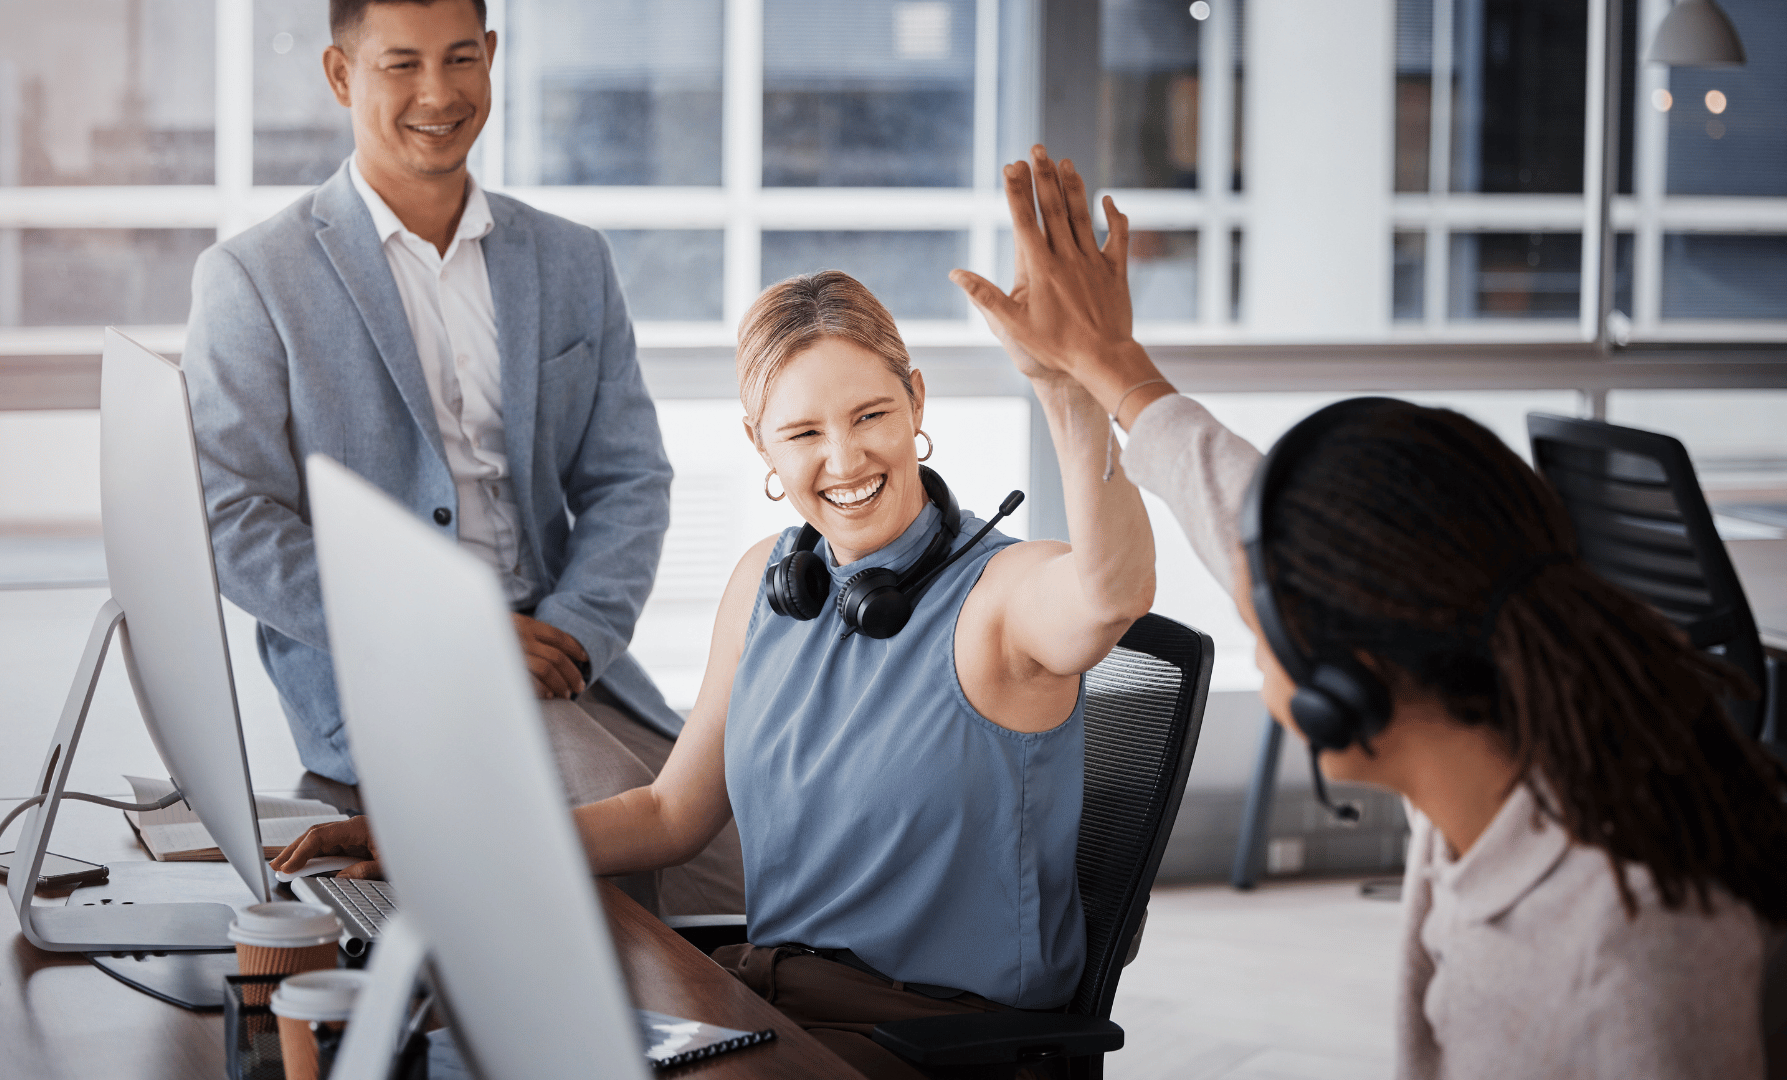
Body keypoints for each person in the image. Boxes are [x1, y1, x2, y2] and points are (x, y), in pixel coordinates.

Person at [947, 146, 1787, 1078]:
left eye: (1263, 609)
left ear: (1345, 681)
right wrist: (1110, 366)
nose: (1249, 602)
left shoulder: (1644, 940)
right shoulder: (1493, 767)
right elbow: (1238, 507)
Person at [278, 253, 1158, 1074]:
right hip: (755, 997)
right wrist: (437, 847)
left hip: (928, 1041)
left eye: (872, 416)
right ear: (760, 446)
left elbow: (1110, 592)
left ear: (917, 403)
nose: (845, 459)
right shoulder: (771, 581)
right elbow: (669, 813)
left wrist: (1069, 387)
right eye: (803, 431)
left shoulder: (1002, 594)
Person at [185, 0, 741, 915]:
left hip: (569, 661)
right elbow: (230, 517)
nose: (437, 93)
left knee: (753, 871)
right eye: (400, 64)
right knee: (622, 848)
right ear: (341, 76)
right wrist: (460, 639)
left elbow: (629, 481)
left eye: (459, 59)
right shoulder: (253, 278)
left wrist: (572, 636)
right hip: (387, 679)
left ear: (490, 56)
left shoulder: (572, 261)